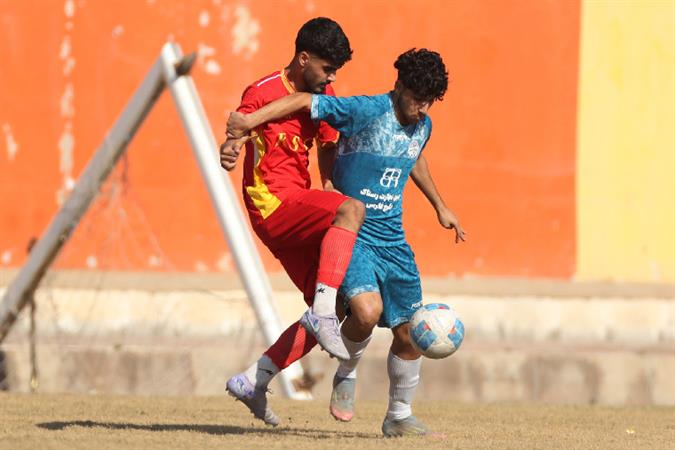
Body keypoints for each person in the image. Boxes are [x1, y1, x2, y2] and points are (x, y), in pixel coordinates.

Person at [227, 48, 466, 437]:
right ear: (399, 86)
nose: (421, 109)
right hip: (353, 233)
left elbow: (415, 156)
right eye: (416, 99)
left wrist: (440, 206)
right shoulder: (366, 110)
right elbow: (304, 101)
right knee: (366, 312)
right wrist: (248, 123)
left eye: (429, 102)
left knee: (408, 334)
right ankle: (346, 373)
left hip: (394, 241)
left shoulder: (423, 125)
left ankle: (399, 416)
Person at [219, 18, 365, 427]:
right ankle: (321, 314)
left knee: (338, 305)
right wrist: (230, 148)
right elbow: (238, 131)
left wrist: (328, 183)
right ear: (303, 58)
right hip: (271, 203)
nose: (332, 78)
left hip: (297, 205)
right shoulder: (262, 91)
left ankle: (254, 380)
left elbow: (328, 144)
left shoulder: (324, 95)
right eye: (327, 69)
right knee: (352, 210)